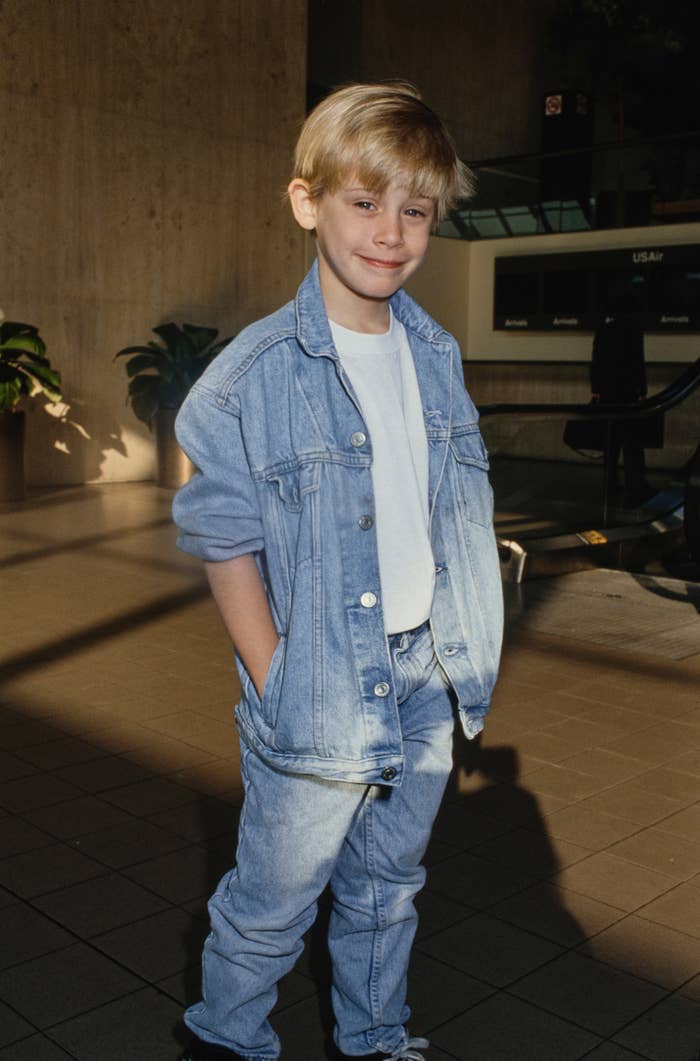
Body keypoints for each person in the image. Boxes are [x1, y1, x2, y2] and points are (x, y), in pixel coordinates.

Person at [172, 82, 503, 1061]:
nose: (391, 232)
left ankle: (374, 1037)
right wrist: (275, 673)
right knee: (272, 901)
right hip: (314, 676)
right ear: (306, 202)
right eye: (364, 202)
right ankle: (226, 1038)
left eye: (415, 210)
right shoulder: (250, 375)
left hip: (420, 677)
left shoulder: (434, 351)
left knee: (385, 890)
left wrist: (451, 660)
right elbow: (223, 536)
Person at [590, 300, 653, 506]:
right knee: (632, 443)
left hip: (607, 393)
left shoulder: (603, 331)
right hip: (627, 393)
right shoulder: (634, 330)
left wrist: (596, 389)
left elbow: (596, 361)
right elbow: (637, 362)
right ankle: (635, 486)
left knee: (611, 442)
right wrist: (642, 391)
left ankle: (611, 484)